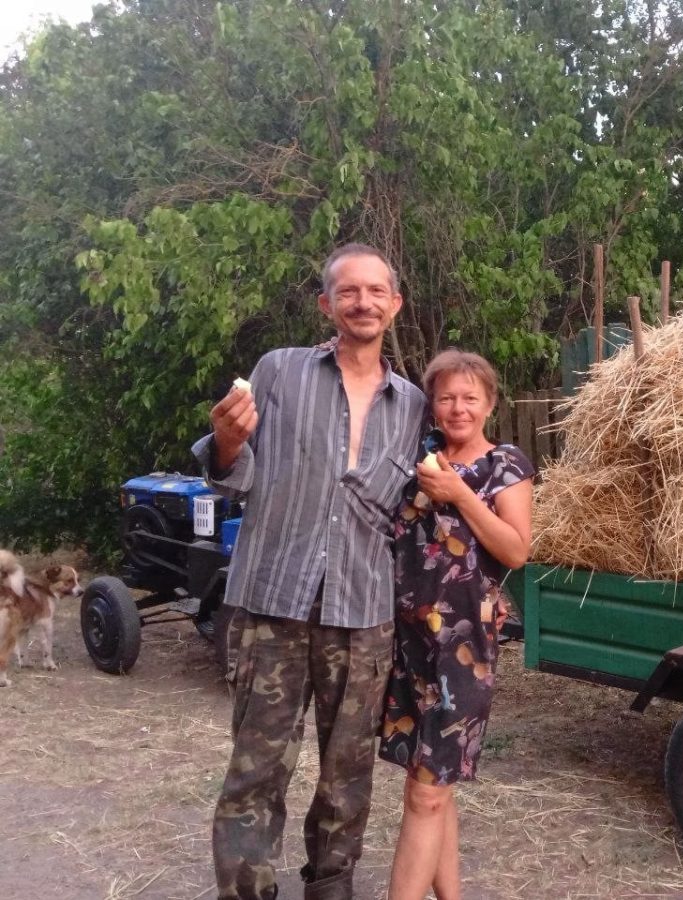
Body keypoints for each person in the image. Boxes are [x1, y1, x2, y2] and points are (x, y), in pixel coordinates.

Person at [193, 243, 427, 900]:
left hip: (363, 613)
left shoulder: (412, 405)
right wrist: (228, 441)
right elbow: (233, 471)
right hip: (272, 602)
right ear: (326, 304)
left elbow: (418, 506)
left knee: (348, 776)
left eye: (375, 291)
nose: (362, 302)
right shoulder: (278, 372)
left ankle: (331, 889)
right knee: (255, 772)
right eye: (348, 291)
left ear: (394, 305)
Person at [378, 350, 535, 900]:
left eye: (470, 397)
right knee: (426, 789)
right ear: (432, 405)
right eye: (446, 397)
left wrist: (460, 494)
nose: (458, 407)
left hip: (463, 650)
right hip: (407, 644)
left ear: (490, 403)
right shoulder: (418, 461)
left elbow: (516, 550)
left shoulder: (505, 465)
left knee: (426, 795)